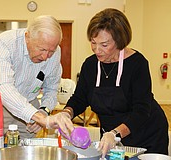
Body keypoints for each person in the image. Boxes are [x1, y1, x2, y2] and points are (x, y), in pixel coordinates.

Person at [60, 8, 169, 158]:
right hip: (111, 138)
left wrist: (115, 133)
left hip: (147, 134)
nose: (97, 50)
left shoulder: (137, 64)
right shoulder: (90, 65)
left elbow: (141, 110)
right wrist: (66, 113)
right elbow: (80, 98)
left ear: (120, 41)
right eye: (93, 42)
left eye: (104, 45)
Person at [0, 15, 74, 139]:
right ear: (27, 37)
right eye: (42, 49)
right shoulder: (6, 42)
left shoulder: (55, 52)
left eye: (51, 51)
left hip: (29, 103)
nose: (46, 56)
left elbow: (51, 89)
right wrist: (37, 116)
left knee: (26, 151)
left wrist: (43, 111)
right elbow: (4, 88)